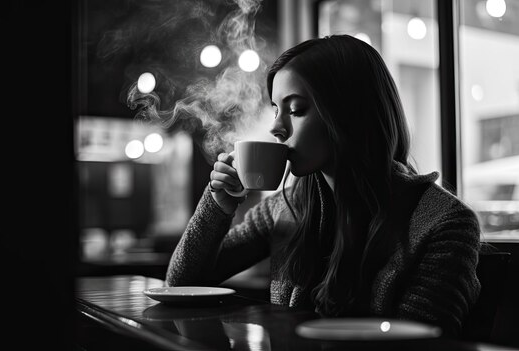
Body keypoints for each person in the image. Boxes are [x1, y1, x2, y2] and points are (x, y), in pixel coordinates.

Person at [166, 34, 481, 336]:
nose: (276, 127)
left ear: (349, 114)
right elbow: (181, 284)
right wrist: (219, 203)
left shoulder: (444, 222)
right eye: (276, 109)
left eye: (296, 109)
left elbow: (421, 341)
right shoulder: (283, 208)